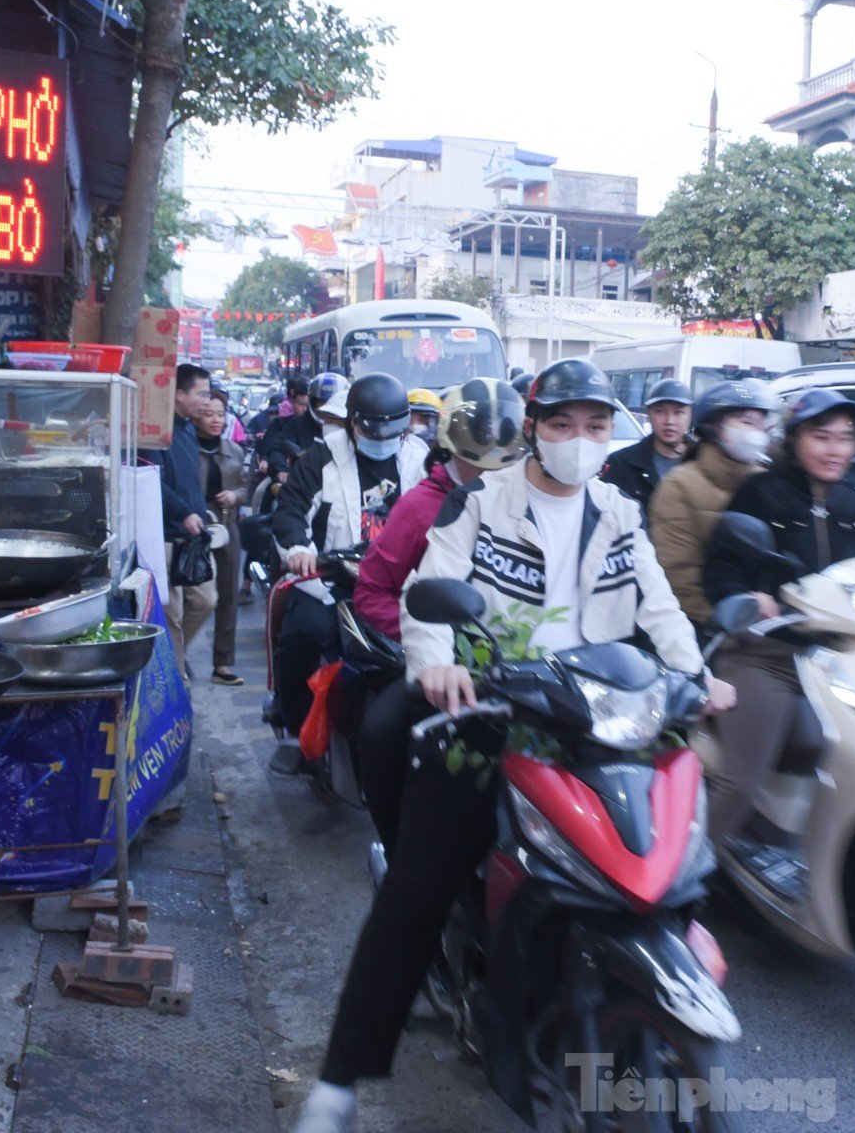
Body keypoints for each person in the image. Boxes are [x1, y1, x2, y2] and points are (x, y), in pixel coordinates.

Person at [291, 359, 735, 1133]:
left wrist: (699, 676)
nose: (579, 440)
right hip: (494, 714)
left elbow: (661, 610)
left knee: (676, 866)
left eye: (596, 426)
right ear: (533, 428)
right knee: (416, 892)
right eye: (563, 424)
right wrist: (436, 669)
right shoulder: (478, 503)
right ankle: (337, 1085)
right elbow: (430, 594)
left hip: (601, 724)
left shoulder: (622, 511)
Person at [350, 377, 528, 863]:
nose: (491, 475)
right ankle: (398, 853)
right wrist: (432, 655)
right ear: (450, 450)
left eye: (504, 462)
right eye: (477, 461)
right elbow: (372, 591)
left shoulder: (536, 505)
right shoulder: (420, 507)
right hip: (432, 665)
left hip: (522, 672)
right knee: (382, 734)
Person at [702, 387, 855, 845]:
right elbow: (719, 567)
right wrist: (746, 595)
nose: (834, 449)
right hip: (766, 653)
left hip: (838, 658)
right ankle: (682, 878)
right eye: (822, 437)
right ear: (796, 439)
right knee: (741, 781)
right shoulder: (761, 492)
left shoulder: (851, 502)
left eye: (844, 438)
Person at [268, 372, 410, 775]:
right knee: (303, 634)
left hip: (395, 586)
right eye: (372, 429)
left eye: (393, 431)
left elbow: (443, 506)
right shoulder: (319, 459)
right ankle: (294, 727)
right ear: (351, 422)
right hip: (329, 582)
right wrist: (298, 551)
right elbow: (292, 510)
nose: (383, 438)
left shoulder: (417, 458)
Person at [646, 379, 778, 627]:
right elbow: (679, 575)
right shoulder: (681, 485)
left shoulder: (766, 482)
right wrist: (726, 622)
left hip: (769, 624)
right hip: (711, 627)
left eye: (761, 425)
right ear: (716, 427)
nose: (755, 433)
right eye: (746, 422)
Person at [147, 363, 214, 677]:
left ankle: (175, 652)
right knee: (172, 613)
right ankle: (176, 680)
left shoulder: (189, 427)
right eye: (202, 394)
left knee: (204, 600)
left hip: (193, 535)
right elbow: (153, 483)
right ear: (179, 393)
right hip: (165, 535)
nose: (207, 401)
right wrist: (183, 512)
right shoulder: (156, 431)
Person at [195, 391, 250, 684]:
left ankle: (223, 664)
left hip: (227, 527)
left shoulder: (234, 451)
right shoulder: (186, 449)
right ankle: (180, 660)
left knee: (227, 595)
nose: (215, 420)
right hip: (193, 528)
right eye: (209, 414)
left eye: (220, 414)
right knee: (193, 597)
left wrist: (234, 496)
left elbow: (245, 488)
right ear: (196, 416)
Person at [601, 378, 693, 509]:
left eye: (678, 412)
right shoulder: (621, 462)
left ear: (690, 415)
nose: (670, 421)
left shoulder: (703, 461)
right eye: (660, 411)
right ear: (648, 414)